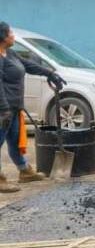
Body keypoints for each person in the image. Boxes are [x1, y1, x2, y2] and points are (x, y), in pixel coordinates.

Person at [0, 22, 66, 193]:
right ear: (3, 37)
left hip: (13, 108)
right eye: (11, 33)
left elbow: (28, 65)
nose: (13, 36)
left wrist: (50, 73)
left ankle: (24, 171)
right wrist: (4, 109)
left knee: (15, 141)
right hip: (3, 110)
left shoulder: (10, 53)